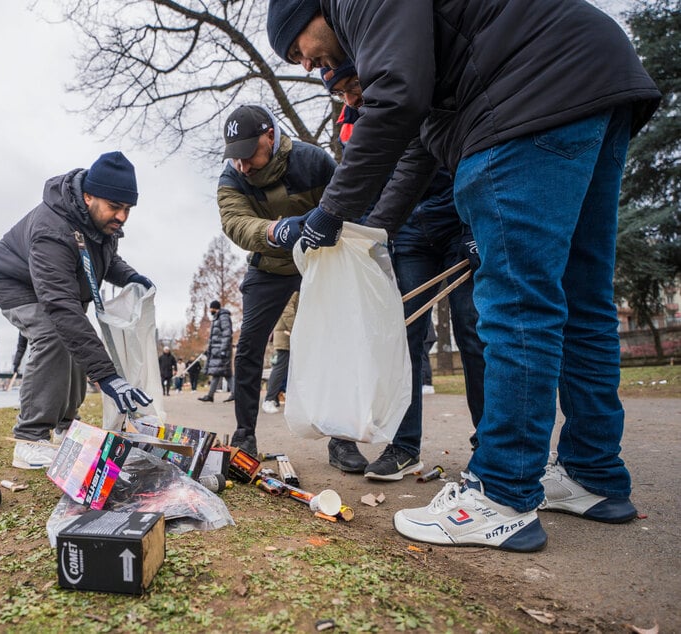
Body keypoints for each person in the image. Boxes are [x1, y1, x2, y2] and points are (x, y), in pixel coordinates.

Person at [268, 0, 660, 551]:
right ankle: (592, 473)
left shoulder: (359, 7)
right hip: (591, 81)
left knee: (516, 305)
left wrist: (327, 215)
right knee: (580, 297)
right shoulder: (424, 46)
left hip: (526, 98)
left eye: (297, 49)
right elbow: (418, 154)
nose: (307, 65)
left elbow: (396, 99)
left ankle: (501, 494)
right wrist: (367, 234)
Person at [320, 61, 487, 481]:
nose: (350, 98)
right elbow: (364, 182)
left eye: (353, 86)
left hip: (455, 215)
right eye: (341, 93)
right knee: (404, 335)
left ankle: (490, 443)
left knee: (472, 327)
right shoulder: (352, 121)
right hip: (407, 229)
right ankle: (405, 446)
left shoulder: (413, 89)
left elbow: (465, 149)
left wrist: (474, 225)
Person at [215, 104, 368, 471]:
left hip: (319, 263)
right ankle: (244, 434)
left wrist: (327, 225)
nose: (243, 165)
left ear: (270, 135)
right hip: (269, 265)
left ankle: (342, 440)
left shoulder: (312, 161)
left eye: (249, 154)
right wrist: (273, 230)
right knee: (250, 345)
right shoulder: (232, 177)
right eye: (235, 156)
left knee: (336, 343)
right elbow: (235, 222)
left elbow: (347, 201)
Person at [0, 151, 154, 469]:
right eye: (115, 207)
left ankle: (66, 426)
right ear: (88, 196)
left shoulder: (100, 224)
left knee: (75, 338)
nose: (122, 217)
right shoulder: (53, 229)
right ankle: (29, 438)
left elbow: (108, 260)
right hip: (14, 281)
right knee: (53, 333)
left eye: (128, 209)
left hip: (59, 285)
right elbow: (60, 306)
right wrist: (107, 376)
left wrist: (131, 277)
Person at [262, 291, 297, 415]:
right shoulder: (295, 289)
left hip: (287, 334)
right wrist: (297, 329)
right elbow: (287, 310)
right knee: (280, 368)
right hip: (286, 334)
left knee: (287, 369)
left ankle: (274, 398)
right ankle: (269, 399)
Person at [198, 300, 234, 403]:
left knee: (225, 374)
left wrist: (223, 350)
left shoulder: (223, 317)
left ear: (214, 308)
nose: (210, 310)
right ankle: (211, 395)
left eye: (211, 308)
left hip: (221, 351)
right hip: (217, 350)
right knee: (220, 373)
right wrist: (209, 350)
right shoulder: (218, 317)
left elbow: (227, 333)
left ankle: (234, 394)